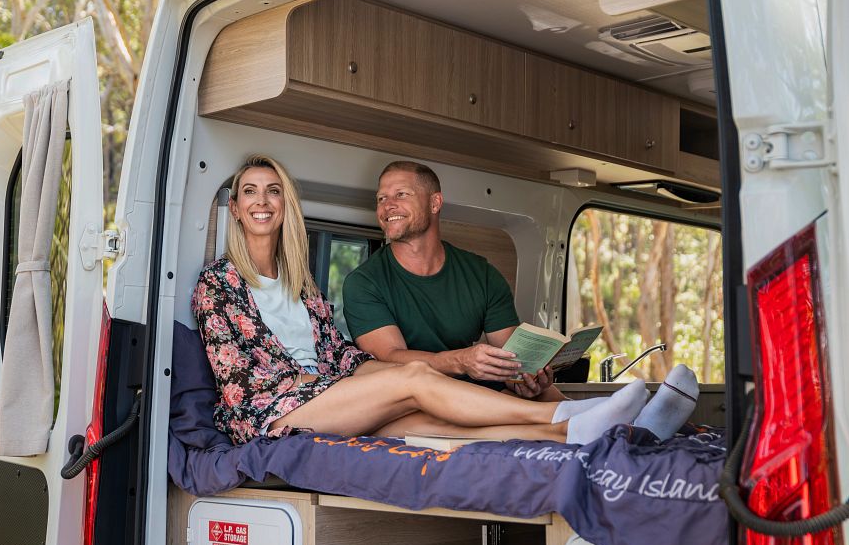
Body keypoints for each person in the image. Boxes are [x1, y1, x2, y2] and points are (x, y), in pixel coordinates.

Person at [192, 153, 656, 447]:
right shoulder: (218, 285)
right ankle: (564, 412)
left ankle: (575, 433)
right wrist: (387, 376)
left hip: (327, 396)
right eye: (250, 192)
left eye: (273, 191)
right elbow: (237, 381)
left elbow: (343, 357)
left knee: (431, 423)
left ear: (286, 204)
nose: (262, 201)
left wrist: (376, 376)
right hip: (270, 413)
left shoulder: (302, 286)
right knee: (413, 376)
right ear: (236, 209)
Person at [343, 160, 565, 401]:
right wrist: (461, 361)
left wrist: (525, 380)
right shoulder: (363, 282)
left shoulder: (482, 275)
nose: (388, 205)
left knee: (552, 400)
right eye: (381, 198)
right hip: (410, 400)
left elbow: (511, 358)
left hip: (477, 393)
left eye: (401, 194)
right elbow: (390, 358)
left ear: (435, 203)